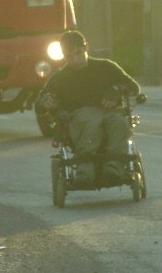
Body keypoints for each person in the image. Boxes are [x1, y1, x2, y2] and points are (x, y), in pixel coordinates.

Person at [36, 30, 140, 185]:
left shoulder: (106, 67)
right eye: (69, 56)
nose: (75, 60)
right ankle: (85, 171)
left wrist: (116, 91)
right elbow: (39, 107)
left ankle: (114, 167)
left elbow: (134, 87)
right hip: (81, 117)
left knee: (119, 123)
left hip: (109, 112)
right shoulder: (60, 78)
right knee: (91, 121)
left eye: (78, 53)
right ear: (64, 55)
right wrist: (46, 101)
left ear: (86, 47)